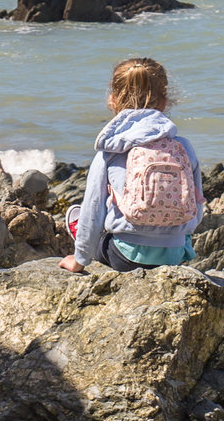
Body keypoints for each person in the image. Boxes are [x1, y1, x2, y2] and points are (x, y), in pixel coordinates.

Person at [63, 56, 204, 271]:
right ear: (164, 102)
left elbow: (93, 208)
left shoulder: (110, 151)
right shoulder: (183, 147)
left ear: (113, 100)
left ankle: (77, 232)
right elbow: (197, 205)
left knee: (87, 220)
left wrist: (80, 259)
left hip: (125, 256)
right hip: (175, 255)